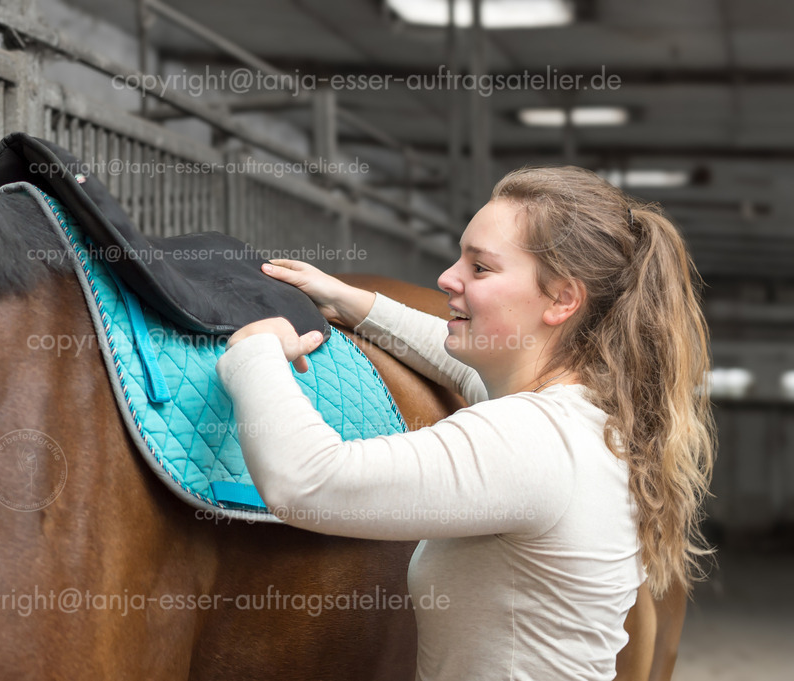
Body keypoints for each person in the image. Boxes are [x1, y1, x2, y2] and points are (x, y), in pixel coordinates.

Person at [214, 166, 715, 680]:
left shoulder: (532, 441)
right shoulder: (586, 416)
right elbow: (454, 361)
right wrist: (351, 301)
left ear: (563, 299)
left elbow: (310, 481)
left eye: (480, 269)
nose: (446, 277)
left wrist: (254, 353)